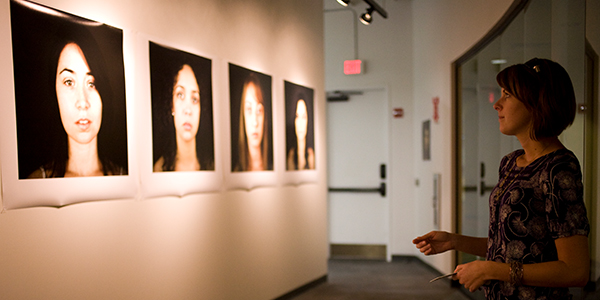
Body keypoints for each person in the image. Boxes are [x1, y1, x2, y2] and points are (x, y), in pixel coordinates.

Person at [413, 58, 590, 299]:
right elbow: (511, 246)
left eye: (507, 95)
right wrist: (454, 241)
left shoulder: (559, 168)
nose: (497, 104)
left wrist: (489, 269)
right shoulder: (510, 163)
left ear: (536, 102)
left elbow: (575, 271)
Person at [28, 35, 124, 178]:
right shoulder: (35, 184)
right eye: (69, 82)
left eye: (91, 84)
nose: (83, 103)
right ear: (54, 91)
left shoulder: (124, 178)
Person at [153, 64, 203, 171]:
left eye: (194, 99)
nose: (188, 110)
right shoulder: (159, 170)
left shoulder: (212, 167)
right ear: (172, 106)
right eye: (180, 95)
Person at [234, 73, 271, 172]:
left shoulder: (272, 166)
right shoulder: (236, 170)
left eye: (259, 111)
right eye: (249, 110)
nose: (255, 122)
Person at [287, 98, 315, 170]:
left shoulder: (311, 155)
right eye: (297, 116)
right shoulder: (291, 156)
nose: (300, 123)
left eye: (304, 117)